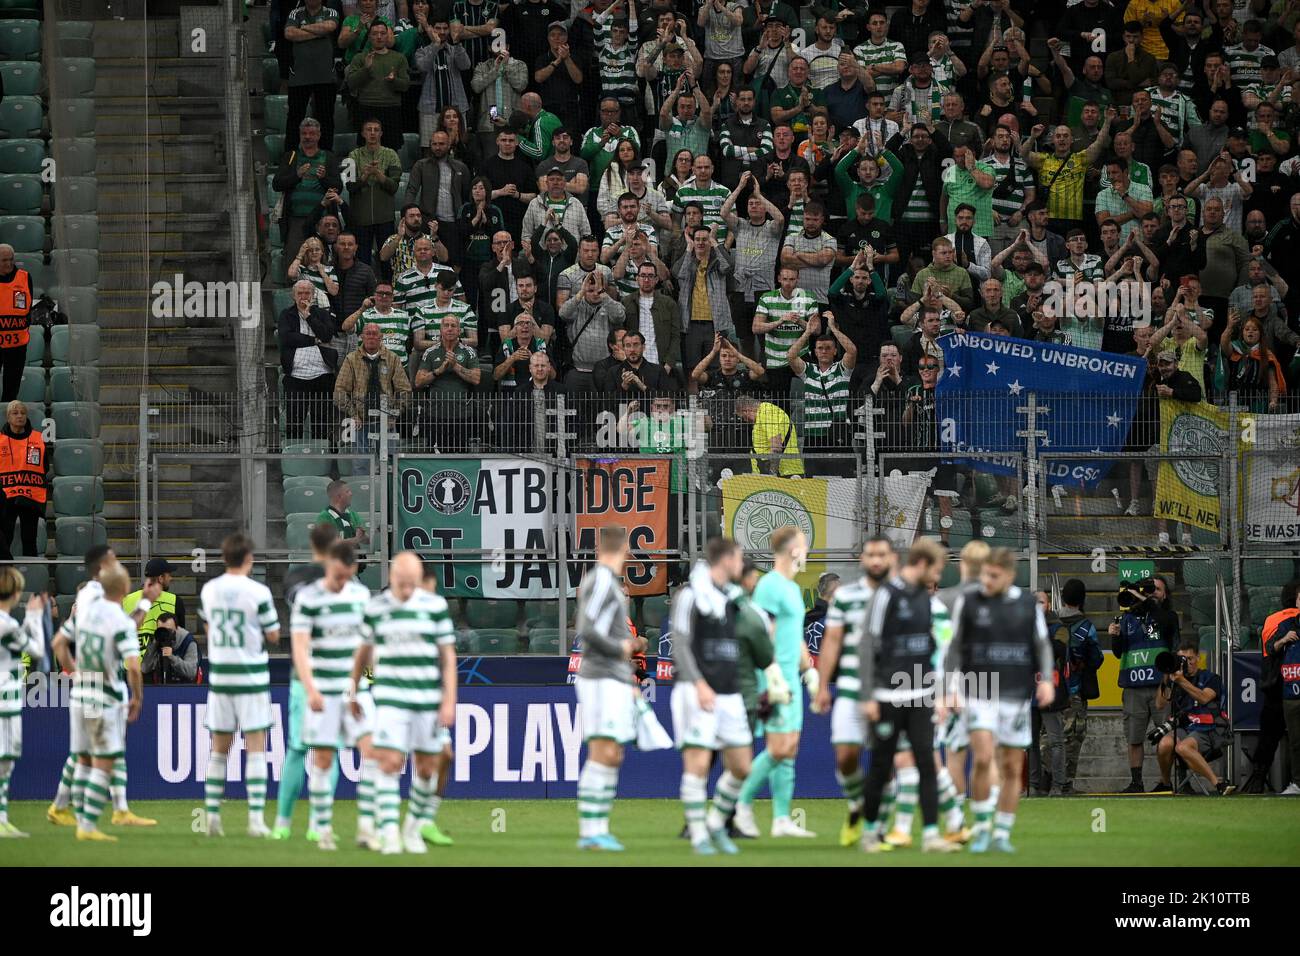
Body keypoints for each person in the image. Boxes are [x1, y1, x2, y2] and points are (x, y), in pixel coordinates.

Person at [946, 547, 1054, 853]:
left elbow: (1042, 645)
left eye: (993, 576)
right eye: (984, 574)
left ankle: (1002, 834)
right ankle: (981, 829)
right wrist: (950, 687)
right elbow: (953, 647)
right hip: (977, 692)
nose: (987, 580)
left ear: (1009, 576)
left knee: (1010, 766)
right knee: (982, 757)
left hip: (1015, 695)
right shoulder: (969, 602)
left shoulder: (1026, 604)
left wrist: (1046, 679)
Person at [856, 537, 960, 854]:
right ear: (923, 564)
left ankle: (930, 835)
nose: (938, 577)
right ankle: (870, 833)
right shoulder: (885, 596)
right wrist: (868, 695)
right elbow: (866, 645)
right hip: (888, 696)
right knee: (881, 765)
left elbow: (939, 652)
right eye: (937, 569)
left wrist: (941, 695)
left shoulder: (929, 602)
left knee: (927, 764)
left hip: (922, 697)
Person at [45, 547, 160, 831]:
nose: (118, 561)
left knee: (95, 750)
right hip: (100, 683)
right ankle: (86, 812)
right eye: (113, 558)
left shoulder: (91, 595)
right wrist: (145, 603)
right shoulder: (96, 595)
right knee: (97, 752)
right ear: (102, 566)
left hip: (95, 680)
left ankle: (104, 808)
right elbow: (124, 628)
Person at [349, 551, 456, 855]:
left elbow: (447, 656)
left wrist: (449, 698)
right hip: (391, 698)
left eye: (413, 583)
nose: (408, 590)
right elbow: (362, 652)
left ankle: (412, 829)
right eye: (402, 583)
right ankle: (390, 834)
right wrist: (353, 690)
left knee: (427, 768)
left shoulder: (435, 607)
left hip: (427, 699)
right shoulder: (377, 608)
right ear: (392, 578)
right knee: (390, 762)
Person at [289, 540, 378, 852]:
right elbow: (299, 647)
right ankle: (323, 828)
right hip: (324, 691)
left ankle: (366, 827)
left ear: (352, 570)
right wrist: (310, 688)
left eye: (345, 576)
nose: (340, 582)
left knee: (371, 751)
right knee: (324, 759)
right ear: (328, 567)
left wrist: (371, 677)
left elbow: (368, 645)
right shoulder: (308, 599)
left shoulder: (362, 596)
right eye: (335, 575)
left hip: (356, 690)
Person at [732, 525, 819, 839]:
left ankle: (781, 819)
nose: (806, 552)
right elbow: (761, 631)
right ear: (794, 549)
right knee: (779, 747)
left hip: (792, 678)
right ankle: (738, 805)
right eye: (804, 546)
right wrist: (770, 678)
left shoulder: (793, 589)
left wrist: (809, 671)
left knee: (790, 748)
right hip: (772, 678)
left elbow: (794, 636)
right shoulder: (769, 585)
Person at [670, 537, 753, 856]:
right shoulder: (690, 595)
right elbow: (679, 642)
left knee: (741, 766)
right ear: (728, 559)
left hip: (730, 693)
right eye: (739, 558)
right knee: (698, 763)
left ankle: (716, 822)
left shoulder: (733, 598)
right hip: (697, 691)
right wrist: (699, 683)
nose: (741, 564)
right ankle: (699, 835)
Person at [811, 535, 896, 847]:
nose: (876, 560)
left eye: (882, 555)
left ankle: (876, 829)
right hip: (848, 688)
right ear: (863, 560)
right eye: (871, 554)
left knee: (884, 764)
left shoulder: (902, 597)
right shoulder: (846, 597)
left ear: (891, 559)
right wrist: (822, 685)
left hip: (890, 691)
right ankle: (858, 805)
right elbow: (832, 641)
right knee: (846, 757)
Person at [199, 534, 280, 838]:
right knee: (256, 747)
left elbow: (206, 624)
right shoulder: (258, 591)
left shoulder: (209, 589)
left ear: (223, 558)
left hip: (221, 678)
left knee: (219, 751)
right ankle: (256, 820)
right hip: (251, 678)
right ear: (249, 559)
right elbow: (273, 634)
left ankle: (212, 817)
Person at [573, 526, 643, 851]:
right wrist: (622, 650)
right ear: (624, 549)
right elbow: (587, 628)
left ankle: (598, 828)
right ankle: (591, 831)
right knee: (603, 751)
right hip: (600, 676)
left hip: (611, 676)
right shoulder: (602, 580)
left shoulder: (606, 582)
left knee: (613, 753)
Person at [272, 523, 341, 842]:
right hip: (330, 676)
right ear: (336, 544)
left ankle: (283, 824)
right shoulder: (342, 583)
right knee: (329, 750)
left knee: (297, 750)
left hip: (304, 677)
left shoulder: (294, 578)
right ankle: (317, 824)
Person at [1108, 575, 1178, 792]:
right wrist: (1114, 636)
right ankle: (1136, 783)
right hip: (1133, 687)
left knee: (1167, 736)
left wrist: (1145, 601)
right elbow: (1118, 653)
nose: (1152, 593)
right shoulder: (1127, 619)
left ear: (1165, 594)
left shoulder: (1167, 616)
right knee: (1134, 737)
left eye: (1157, 589)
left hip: (1160, 687)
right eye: (1149, 589)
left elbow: (1166, 629)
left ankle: (1166, 783)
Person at [1153, 640, 1233, 795]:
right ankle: (1166, 783)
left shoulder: (1211, 678)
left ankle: (1218, 784)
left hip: (1207, 729)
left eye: (1190, 659)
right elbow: (1159, 705)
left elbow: (1204, 698)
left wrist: (1181, 681)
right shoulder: (1174, 679)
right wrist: (1166, 677)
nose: (1186, 663)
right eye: (1182, 659)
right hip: (1185, 727)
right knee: (1164, 744)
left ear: (1198, 658)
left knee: (1182, 747)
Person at [0, 568, 45, 837]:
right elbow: (37, 649)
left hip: (7, 699)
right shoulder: (6, 624)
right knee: (4, 762)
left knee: (5, 763)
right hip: (4, 702)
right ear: (16, 593)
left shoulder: (8, 624)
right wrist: (35, 617)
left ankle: (2, 818)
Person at [334, 322, 413, 471]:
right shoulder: (351, 359)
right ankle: (363, 492)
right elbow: (340, 390)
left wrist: (394, 414)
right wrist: (353, 414)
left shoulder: (392, 358)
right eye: (368, 333)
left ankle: (389, 493)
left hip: (386, 419)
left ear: (381, 337)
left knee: (390, 464)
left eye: (375, 334)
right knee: (361, 464)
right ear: (361, 336)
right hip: (360, 420)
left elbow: (404, 390)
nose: (371, 336)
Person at [788, 312, 857, 477]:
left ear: (834, 351)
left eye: (828, 348)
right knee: (814, 484)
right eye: (820, 348)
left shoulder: (842, 370)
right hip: (813, 435)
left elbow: (852, 350)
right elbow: (790, 356)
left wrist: (833, 328)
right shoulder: (808, 371)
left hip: (837, 433)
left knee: (842, 481)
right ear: (815, 352)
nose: (824, 351)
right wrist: (807, 332)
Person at [1055, 578, 1103, 795]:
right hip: (1074, 691)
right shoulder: (1087, 627)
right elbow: (1097, 659)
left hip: (1049, 690)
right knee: (1074, 737)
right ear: (1082, 599)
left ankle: (1047, 782)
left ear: (1063, 597)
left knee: (1050, 736)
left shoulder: (1049, 621)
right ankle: (1065, 783)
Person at [1262, 582, 1300, 795]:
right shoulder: (1286, 625)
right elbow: (1270, 648)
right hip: (1291, 694)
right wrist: (1284, 639)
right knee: (1296, 742)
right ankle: (1298, 783)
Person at [0, 400, 46, 560]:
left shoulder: (38, 439)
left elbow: (44, 466)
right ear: (8, 417)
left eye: (22, 413)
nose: (19, 416)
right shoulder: (0, 440)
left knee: (30, 541)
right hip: (5, 497)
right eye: (15, 413)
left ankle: (31, 578)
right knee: (4, 540)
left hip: (30, 496)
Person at [122, 558, 184, 654]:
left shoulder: (127, 600)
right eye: (168, 575)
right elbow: (181, 641)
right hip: (162, 665)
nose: (170, 578)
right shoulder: (175, 601)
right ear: (160, 578)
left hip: (132, 665)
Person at [0, 245, 32, 403]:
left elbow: (28, 309)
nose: (8, 263)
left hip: (17, 346)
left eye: (11, 259)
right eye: (4, 260)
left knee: (11, 391)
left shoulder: (25, 277)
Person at [139, 612, 199, 685]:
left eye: (169, 630)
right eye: (162, 630)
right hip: (160, 687)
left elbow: (192, 672)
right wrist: (154, 645)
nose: (165, 633)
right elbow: (144, 669)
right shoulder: (156, 639)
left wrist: (172, 657)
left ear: (177, 628)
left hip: (184, 687)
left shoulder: (188, 641)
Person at [317, 478, 370, 546]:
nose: (351, 494)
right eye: (347, 491)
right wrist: (356, 539)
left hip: (355, 555)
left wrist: (363, 536)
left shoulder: (353, 514)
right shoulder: (324, 517)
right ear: (339, 496)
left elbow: (367, 541)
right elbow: (329, 544)